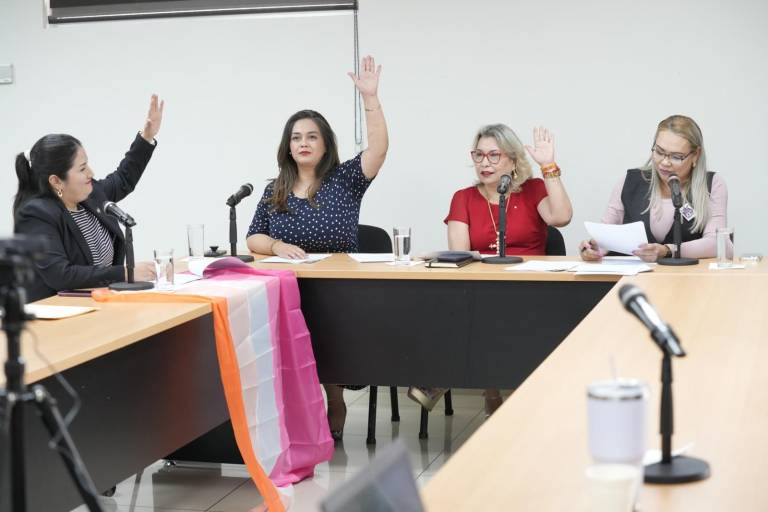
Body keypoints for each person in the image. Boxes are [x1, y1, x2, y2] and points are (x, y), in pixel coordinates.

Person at [246, 56, 388, 440]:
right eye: (296, 137)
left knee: (326, 328)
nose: (303, 143)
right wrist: (277, 244)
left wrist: (370, 99)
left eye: (311, 136)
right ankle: (295, 409)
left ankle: (334, 396)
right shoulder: (274, 188)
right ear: (287, 147)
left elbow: (378, 149)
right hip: (288, 286)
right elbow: (253, 238)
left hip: (339, 289)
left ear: (325, 145)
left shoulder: (346, 179)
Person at [408, 124, 573, 416]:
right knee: (465, 303)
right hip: (484, 285)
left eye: (494, 156)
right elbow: (460, 257)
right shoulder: (464, 198)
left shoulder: (533, 190)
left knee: (487, 312)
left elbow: (561, 217)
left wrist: (548, 165)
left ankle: (448, 376)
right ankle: (490, 388)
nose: (485, 163)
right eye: (479, 155)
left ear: (512, 159)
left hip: (530, 288)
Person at [13, 95, 164, 303]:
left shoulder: (91, 195)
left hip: (97, 306)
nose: (91, 173)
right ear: (56, 181)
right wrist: (125, 273)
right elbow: (61, 275)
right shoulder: (36, 215)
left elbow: (123, 179)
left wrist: (146, 137)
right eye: (82, 168)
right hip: (58, 317)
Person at [579, 115, 726, 262]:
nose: (665, 162)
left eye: (676, 156)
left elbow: (719, 243)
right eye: (659, 152)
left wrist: (668, 250)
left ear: (696, 155)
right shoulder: (631, 181)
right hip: (631, 279)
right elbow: (605, 233)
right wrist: (593, 248)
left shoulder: (712, 184)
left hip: (686, 279)